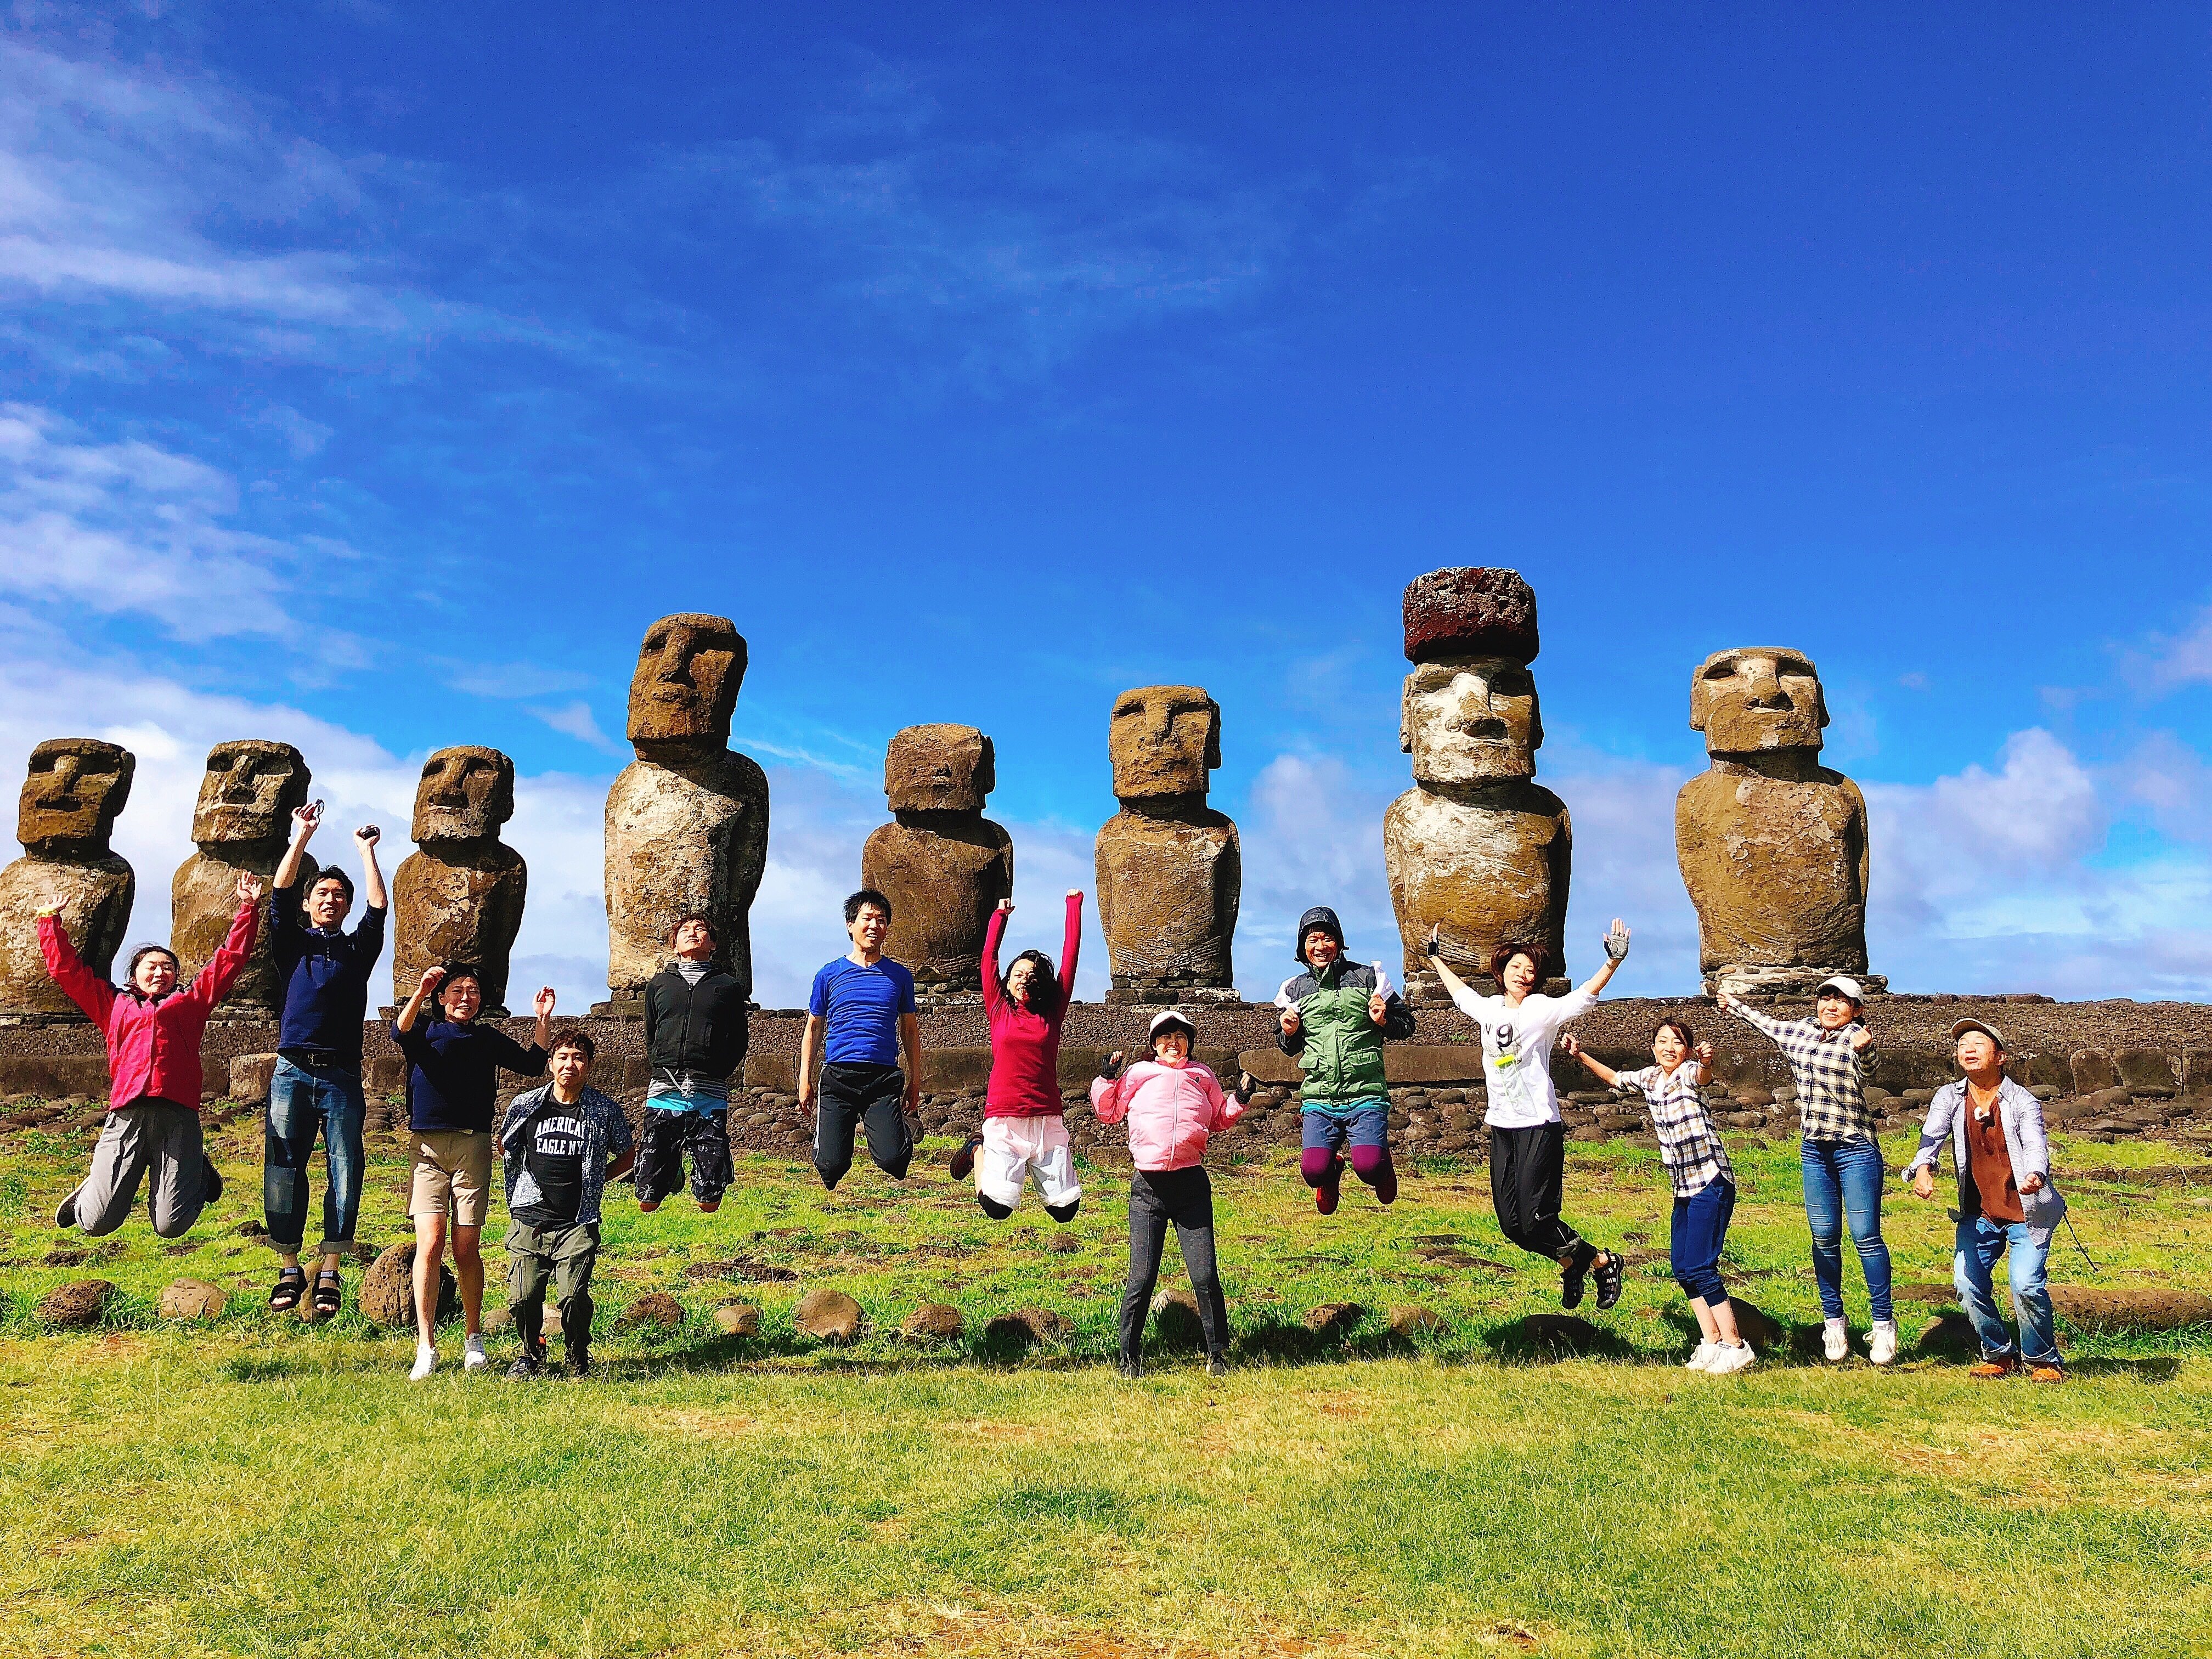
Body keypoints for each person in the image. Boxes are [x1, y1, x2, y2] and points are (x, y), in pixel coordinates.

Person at [38, 873, 261, 1239]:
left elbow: (230, 961)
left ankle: (197, 1173)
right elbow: (67, 971)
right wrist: (49, 920)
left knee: (171, 1226)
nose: (160, 972)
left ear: (176, 976)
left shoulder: (190, 1003)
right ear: (134, 975)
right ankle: (87, 1194)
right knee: (97, 1223)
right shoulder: (113, 1005)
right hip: (128, 1112)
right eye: (151, 967)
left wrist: (247, 909)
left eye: (168, 968)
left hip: (178, 1115)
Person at [1427, 922, 1632, 1311]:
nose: (1523, 975)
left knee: (1536, 1217)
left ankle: (1603, 1262)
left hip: (1538, 1122)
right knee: (1513, 1226)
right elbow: (1460, 994)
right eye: (1516, 967)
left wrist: (1613, 961)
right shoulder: (1488, 1009)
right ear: (1502, 971)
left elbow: (1584, 996)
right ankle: (1573, 1262)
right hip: (1502, 1125)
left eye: (1530, 970)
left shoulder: (1542, 1010)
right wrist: (1436, 957)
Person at [1721, 975, 1895, 1365]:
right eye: (1825, 999)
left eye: (1841, 1001)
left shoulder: (1857, 1039)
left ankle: (1883, 1324)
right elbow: (1766, 1024)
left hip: (1856, 1149)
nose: (1830, 1006)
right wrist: (1733, 1004)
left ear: (1857, 1009)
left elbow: (1870, 1071)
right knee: (1824, 1238)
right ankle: (1833, 1321)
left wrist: (1866, 1050)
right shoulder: (1801, 1032)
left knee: (1866, 1236)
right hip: (1815, 1150)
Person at [392, 962, 553, 1380]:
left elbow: (534, 1064)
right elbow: (400, 1031)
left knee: (466, 1249)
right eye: (457, 990)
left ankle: (473, 1337)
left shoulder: (485, 1037)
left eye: (474, 991)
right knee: (429, 1245)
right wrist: (421, 988)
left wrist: (542, 1020)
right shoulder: (425, 1029)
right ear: (442, 997)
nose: (466, 997)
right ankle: (425, 1345)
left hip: (472, 1146)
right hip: (427, 1147)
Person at [1563, 1019, 1752, 1372]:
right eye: (1663, 1042)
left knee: (1701, 1266)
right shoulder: (1651, 1078)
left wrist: (1708, 1062)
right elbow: (1616, 1078)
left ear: (1688, 1049)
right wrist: (1580, 1055)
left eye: (1678, 1042)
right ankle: (1711, 1342)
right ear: (1653, 1047)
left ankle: (1736, 1345)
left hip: (1711, 1180)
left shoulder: (1689, 1073)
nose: (1670, 1048)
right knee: (1682, 1268)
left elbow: (1703, 1076)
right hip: (1683, 1187)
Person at [263, 802, 387, 1319]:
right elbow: (280, 893)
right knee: (283, 1166)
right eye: (323, 893)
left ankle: (330, 1268)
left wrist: (366, 852)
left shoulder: (357, 951)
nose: (331, 899)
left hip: (341, 1074)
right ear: (311, 904)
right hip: (292, 1068)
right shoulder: (293, 945)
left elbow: (378, 910)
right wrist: (302, 837)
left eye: (340, 895)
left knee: (346, 1167)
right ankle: (290, 1265)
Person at [1091, 1008, 1251, 1378]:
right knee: (1142, 1278)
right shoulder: (1138, 1074)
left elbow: (1217, 1118)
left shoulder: (1202, 1075)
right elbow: (1109, 1111)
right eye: (1164, 1037)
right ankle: (1128, 1358)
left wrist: (1240, 1098)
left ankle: (1218, 1354)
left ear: (1189, 1043)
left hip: (1191, 1187)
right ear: (1154, 1044)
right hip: (1147, 1190)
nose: (1172, 1043)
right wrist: (1106, 1076)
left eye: (1180, 1037)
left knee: (1205, 1276)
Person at [1906, 1018, 2067, 1383]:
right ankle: (1999, 1354)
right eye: (1962, 1043)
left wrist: (2035, 1175)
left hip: (2028, 1213)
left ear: (2001, 1057)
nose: (1968, 1048)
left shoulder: (2022, 1100)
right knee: (1967, 1283)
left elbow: (2035, 1143)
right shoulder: (1949, 1096)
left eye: (1978, 1042)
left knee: (2026, 1284)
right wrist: (1923, 1169)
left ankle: (2043, 1360)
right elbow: (1930, 1139)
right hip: (1979, 1213)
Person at [499, 1028, 633, 1379]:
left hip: (577, 1220)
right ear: (551, 1063)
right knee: (523, 1297)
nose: (570, 1065)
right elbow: (506, 1146)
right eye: (562, 1057)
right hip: (530, 1217)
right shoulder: (526, 1105)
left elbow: (629, 1154)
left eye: (578, 1058)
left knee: (573, 1297)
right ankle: (530, 1353)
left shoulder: (604, 1110)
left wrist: (599, 1177)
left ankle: (577, 1355)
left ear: (589, 1065)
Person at [949, 890, 1084, 1221]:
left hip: (1047, 1116)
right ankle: (978, 1148)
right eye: (1018, 974)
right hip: (1005, 1117)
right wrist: (1000, 918)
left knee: (1066, 1210)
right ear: (1007, 982)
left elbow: (1070, 959)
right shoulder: (999, 1009)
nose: (1025, 978)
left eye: (1032, 975)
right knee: (996, 1208)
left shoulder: (1052, 1011)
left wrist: (1073, 907)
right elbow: (988, 960)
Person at [1274, 905, 1415, 1215]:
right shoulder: (1293, 989)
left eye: (1327, 938)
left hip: (1365, 1092)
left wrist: (1383, 1020)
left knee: (1367, 1168)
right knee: (1313, 1172)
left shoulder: (1369, 977)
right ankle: (1332, 1171)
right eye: (1312, 940)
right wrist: (1289, 1031)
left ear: (1339, 941)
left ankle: (1380, 1164)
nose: (1320, 947)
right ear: (1302, 948)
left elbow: (1406, 1025)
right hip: (1319, 1097)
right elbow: (1287, 1046)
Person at [800, 889, 922, 1190]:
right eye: (867, 918)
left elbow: (909, 1029)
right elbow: (814, 1027)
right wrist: (805, 1077)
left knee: (895, 1162)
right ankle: (826, 1145)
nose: (874, 926)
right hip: (839, 1077)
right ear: (850, 924)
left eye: (881, 920)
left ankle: (902, 1130)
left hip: (882, 1079)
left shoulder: (900, 976)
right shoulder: (829, 974)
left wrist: (916, 1080)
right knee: (831, 1169)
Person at [637, 911, 746, 1216]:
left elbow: (739, 1039)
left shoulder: (727, 986)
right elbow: (651, 1032)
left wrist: (718, 1069)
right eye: (684, 930)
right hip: (665, 1087)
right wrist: (660, 1063)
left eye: (701, 930)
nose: (693, 933)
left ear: (713, 944)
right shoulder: (658, 985)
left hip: (709, 1090)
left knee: (709, 1201)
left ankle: (702, 1177)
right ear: (674, 944)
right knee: (648, 1200)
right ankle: (670, 1172)